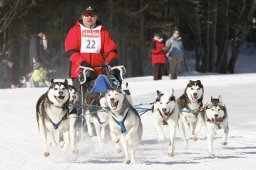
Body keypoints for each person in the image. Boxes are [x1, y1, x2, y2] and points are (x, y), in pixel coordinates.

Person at [65, 6, 120, 101]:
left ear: (97, 17)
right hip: (79, 72)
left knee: (101, 101)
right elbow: (71, 52)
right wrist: (83, 64)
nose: (89, 18)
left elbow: (111, 50)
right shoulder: (74, 31)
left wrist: (113, 63)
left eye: (92, 15)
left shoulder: (103, 32)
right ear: (82, 16)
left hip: (99, 73)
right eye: (87, 15)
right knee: (79, 102)